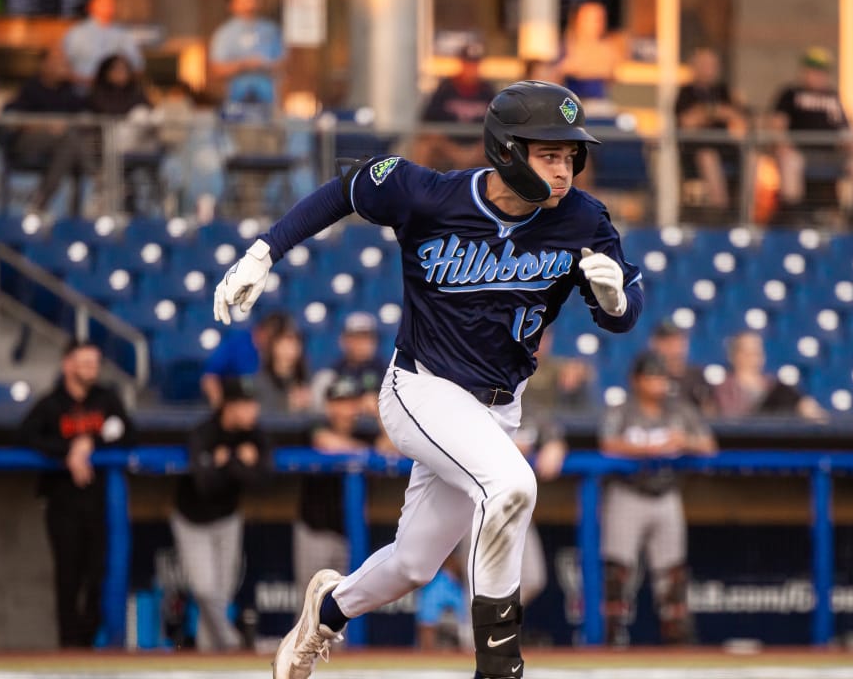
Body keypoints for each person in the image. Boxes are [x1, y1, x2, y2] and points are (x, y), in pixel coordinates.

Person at [215, 80, 643, 679]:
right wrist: (263, 252)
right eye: (549, 153)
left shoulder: (583, 219)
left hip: (498, 407)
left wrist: (615, 302)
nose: (565, 167)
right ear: (506, 150)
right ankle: (499, 665)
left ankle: (328, 610)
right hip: (421, 387)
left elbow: (622, 315)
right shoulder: (428, 193)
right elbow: (343, 191)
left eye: (571, 154)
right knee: (512, 485)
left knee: (414, 565)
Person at [19, 340, 136, 649]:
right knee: (68, 578)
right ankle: (69, 649)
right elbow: (26, 435)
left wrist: (90, 444)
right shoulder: (52, 403)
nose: (91, 369)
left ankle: (84, 644)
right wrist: (67, 451)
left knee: (98, 575)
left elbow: (131, 433)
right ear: (67, 365)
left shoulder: (107, 398)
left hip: (100, 502)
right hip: (63, 502)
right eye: (84, 363)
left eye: (95, 363)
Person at [600, 353, 716, 645]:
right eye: (650, 377)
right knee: (617, 574)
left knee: (672, 575)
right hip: (628, 493)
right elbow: (608, 444)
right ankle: (611, 641)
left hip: (666, 494)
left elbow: (708, 445)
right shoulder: (623, 410)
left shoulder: (679, 410)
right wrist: (651, 449)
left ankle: (678, 644)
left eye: (661, 377)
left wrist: (683, 442)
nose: (657, 383)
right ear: (636, 380)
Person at [174, 375, 272, 651]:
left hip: (228, 518)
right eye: (246, 405)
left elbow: (264, 481)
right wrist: (237, 461)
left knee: (222, 593)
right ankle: (231, 643)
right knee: (205, 590)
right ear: (229, 406)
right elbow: (204, 484)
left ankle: (212, 658)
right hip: (192, 520)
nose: (254, 411)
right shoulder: (204, 432)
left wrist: (226, 462)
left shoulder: (254, 433)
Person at [293, 371, 395, 610]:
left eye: (351, 402)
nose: (345, 409)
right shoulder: (316, 425)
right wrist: (367, 454)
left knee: (346, 608)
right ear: (328, 405)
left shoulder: (365, 432)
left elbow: (393, 443)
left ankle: (341, 650)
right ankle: (303, 648)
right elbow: (325, 442)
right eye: (339, 402)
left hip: (351, 534)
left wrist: (379, 412)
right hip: (315, 530)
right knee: (309, 605)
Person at [770, 47, 853, 224]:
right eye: (813, 70)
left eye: (822, 71)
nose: (817, 75)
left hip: (831, 153)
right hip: (800, 152)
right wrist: (783, 144)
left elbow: (846, 129)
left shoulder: (833, 97)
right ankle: (793, 214)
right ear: (804, 71)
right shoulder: (790, 94)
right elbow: (777, 125)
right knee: (790, 159)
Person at [0, 49, 91, 215]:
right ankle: (97, 186)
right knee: (71, 142)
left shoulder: (69, 91)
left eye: (64, 63)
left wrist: (78, 80)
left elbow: (87, 115)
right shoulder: (31, 88)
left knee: (71, 143)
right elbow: (13, 118)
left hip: (63, 144)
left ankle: (42, 200)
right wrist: (45, 125)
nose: (61, 67)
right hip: (29, 142)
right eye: (57, 62)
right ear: (44, 65)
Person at [506, 407, 566, 610]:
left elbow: (552, 433)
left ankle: (494, 628)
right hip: (473, 503)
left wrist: (555, 444)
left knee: (532, 578)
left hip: (514, 502)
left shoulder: (525, 404)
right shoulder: (476, 396)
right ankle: (472, 639)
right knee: (480, 583)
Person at [674, 48, 746, 211]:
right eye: (705, 65)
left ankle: (745, 212)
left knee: (753, 157)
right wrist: (715, 112)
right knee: (709, 157)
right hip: (696, 150)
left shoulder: (723, 91)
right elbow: (688, 122)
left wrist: (707, 113)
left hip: (726, 147)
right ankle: (720, 210)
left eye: (712, 65)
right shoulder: (686, 92)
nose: (709, 69)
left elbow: (737, 118)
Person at [417, 43, 498, 171]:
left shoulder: (487, 90)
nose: (471, 68)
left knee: (502, 148)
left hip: (478, 148)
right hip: (448, 146)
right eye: (468, 64)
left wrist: (475, 150)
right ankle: (419, 187)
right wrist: (453, 150)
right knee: (424, 145)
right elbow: (428, 123)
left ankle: (501, 190)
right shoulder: (446, 88)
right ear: (461, 63)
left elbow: (498, 127)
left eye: (474, 64)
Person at [711, 331, 825, 419]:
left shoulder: (778, 388)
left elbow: (809, 410)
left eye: (757, 353)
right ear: (735, 356)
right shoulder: (724, 390)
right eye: (748, 353)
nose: (754, 358)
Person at [209, 0, 285, 108]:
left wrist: (263, 65)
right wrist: (243, 65)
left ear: (260, 0)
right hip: (236, 103)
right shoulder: (224, 34)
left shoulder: (271, 31)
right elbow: (216, 69)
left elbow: (283, 64)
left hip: (268, 102)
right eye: (243, 1)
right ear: (232, 4)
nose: (249, 5)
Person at [202, 310, 293, 406]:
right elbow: (209, 378)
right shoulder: (237, 344)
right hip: (236, 406)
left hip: (266, 409)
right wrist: (220, 408)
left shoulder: (280, 355)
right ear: (265, 331)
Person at [62, 0, 143, 88]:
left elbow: (138, 68)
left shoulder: (123, 35)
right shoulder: (76, 34)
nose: (108, 4)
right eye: (103, 0)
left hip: (115, 96)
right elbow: (61, 68)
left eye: (111, 0)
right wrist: (88, 81)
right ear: (91, 3)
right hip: (82, 96)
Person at [308, 312, 387, 416]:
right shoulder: (331, 374)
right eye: (357, 338)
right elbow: (318, 408)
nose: (363, 344)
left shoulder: (388, 372)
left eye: (368, 338)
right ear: (344, 340)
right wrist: (356, 406)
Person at [555, 1, 625, 104]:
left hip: (597, 105)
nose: (597, 24)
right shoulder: (564, 47)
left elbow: (613, 71)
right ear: (578, 21)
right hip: (570, 105)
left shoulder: (609, 48)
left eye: (600, 19)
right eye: (591, 19)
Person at [518, 326, 595, 413]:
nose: (540, 344)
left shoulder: (553, 365)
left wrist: (576, 375)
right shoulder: (513, 363)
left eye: (545, 339)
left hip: (547, 418)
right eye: (536, 338)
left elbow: (582, 370)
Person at [647, 318, 712, 411]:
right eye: (668, 343)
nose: (675, 349)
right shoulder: (649, 377)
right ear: (655, 344)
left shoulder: (696, 375)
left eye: (679, 341)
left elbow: (710, 411)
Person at [415, 549, 472, 651]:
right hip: (440, 657)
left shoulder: (461, 584)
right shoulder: (437, 586)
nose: (462, 561)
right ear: (449, 559)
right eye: (459, 557)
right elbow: (427, 629)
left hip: (462, 653)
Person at [257, 324, 312, 414]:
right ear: (274, 346)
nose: (290, 349)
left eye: (295, 344)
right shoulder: (261, 380)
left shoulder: (307, 377)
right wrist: (287, 404)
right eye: (285, 344)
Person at [86, 54, 152, 117]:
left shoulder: (136, 92)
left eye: (124, 69)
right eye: (117, 69)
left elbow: (145, 111)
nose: (121, 73)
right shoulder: (97, 94)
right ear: (106, 72)